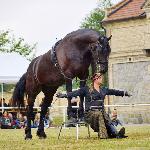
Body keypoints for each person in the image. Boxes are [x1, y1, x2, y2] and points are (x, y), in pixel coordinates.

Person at [56, 73, 131, 139]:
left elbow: (114, 92)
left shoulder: (104, 89)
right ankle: (104, 136)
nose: (102, 79)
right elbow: (75, 93)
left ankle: (116, 134)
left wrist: (125, 93)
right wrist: (64, 95)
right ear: (95, 79)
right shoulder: (86, 89)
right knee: (100, 114)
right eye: (100, 78)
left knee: (105, 116)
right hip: (89, 114)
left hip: (101, 112)